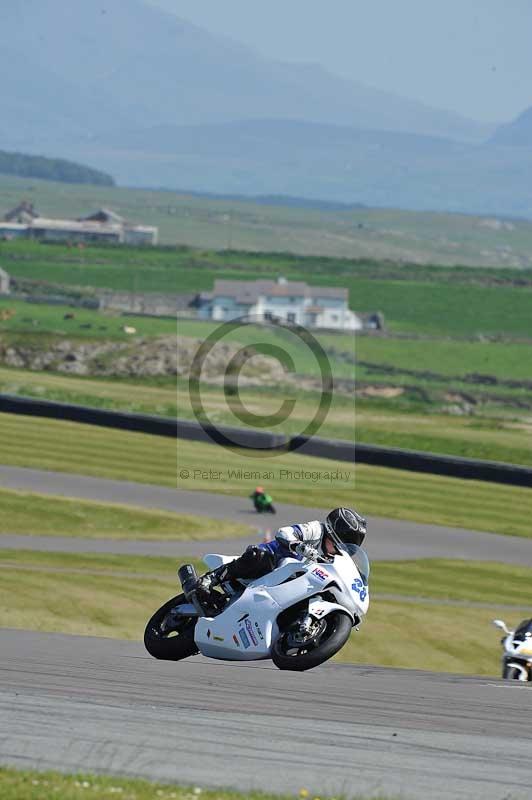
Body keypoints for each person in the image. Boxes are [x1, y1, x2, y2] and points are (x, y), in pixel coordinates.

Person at [182, 507, 367, 609]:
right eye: (339, 546)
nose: (339, 551)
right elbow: (284, 532)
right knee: (260, 557)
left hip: (285, 585)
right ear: (332, 534)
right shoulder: (316, 530)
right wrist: (298, 545)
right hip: (270, 564)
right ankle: (209, 579)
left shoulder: (335, 558)